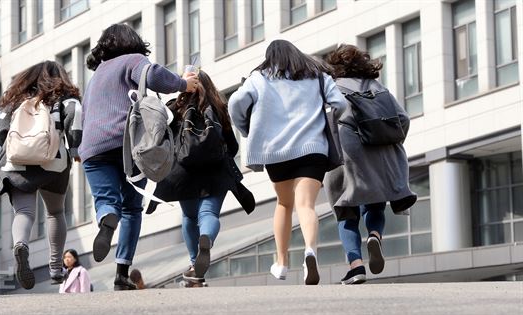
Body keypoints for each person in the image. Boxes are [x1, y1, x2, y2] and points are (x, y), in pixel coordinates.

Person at [80, 23, 199, 291]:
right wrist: (184, 84)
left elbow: (84, 114)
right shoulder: (133, 60)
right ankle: (122, 273)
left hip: (93, 146)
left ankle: (106, 215)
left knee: (106, 200)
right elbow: (154, 75)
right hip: (127, 142)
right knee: (132, 208)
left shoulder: (96, 74)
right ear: (132, 40)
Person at [228, 40, 347, 285]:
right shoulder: (318, 77)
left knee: (284, 204)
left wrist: (245, 128)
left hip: (277, 153)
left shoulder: (259, 78)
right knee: (307, 205)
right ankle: (310, 253)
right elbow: (341, 104)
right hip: (313, 150)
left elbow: (235, 104)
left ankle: (281, 264)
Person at [323, 44, 417, 285]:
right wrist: (386, 140)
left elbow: (327, 121)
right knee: (375, 205)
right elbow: (403, 119)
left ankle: (356, 267)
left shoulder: (334, 88)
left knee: (346, 210)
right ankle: (375, 235)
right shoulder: (377, 87)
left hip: (347, 150)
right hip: (380, 151)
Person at [0, 61, 83, 290]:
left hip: (17, 164)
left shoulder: (15, 102)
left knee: (24, 212)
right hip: (53, 163)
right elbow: (76, 115)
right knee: (55, 212)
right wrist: (74, 148)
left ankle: (20, 245)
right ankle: (55, 268)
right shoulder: (64, 98)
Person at [154, 70, 240, 285]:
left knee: (190, 218)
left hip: (185, 173)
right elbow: (233, 146)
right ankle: (207, 240)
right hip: (215, 171)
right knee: (208, 213)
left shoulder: (176, 107)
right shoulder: (219, 108)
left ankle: (195, 265)